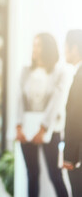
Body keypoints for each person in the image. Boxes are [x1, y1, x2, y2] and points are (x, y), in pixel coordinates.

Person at [15, 33, 70, 197]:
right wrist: (18, 126)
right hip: (26, 129)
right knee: (32, 174)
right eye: (33, 45)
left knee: (55, 175)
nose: (34, 49)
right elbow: (19, 99)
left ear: (47, 48)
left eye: (38, 45)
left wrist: (43, 129)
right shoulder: (26, 71)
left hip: (50, 130)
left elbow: (56, 102)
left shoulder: (59, 73)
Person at [63, 29, 82, 197]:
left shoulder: (80, 76)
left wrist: (69, 155)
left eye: (66, 46)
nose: (64, 51)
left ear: (74, 49)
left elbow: (75, 119)